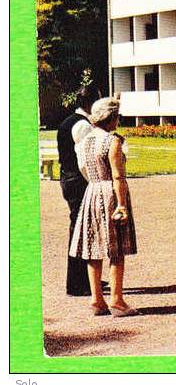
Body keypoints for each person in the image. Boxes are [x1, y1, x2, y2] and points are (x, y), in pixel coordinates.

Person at [68, 97, 138, 317]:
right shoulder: (113, 141)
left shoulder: (85, 140)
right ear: (112, 118)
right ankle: (117, 300)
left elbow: (83, 168)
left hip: (92, 191)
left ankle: (97, 300)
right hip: (109, 193)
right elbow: (118, 176)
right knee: (115, 249)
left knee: (94, 248)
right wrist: (121, 204)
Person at [56, 89, 95, 296]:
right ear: (91, 103)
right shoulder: (82, 125)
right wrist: (94, 182)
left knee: (78, 228)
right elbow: (85, 161)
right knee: (81, 230)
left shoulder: (68, 121)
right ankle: (77, 282)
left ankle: (82, 278)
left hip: (68, 177)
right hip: (78, 180)